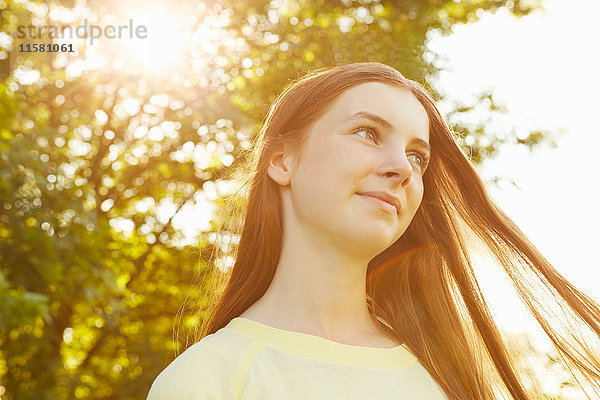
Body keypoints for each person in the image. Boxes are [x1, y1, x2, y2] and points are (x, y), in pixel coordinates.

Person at [146, 62, 600, 399]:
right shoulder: (209, 381)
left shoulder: (449, 371)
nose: (402, 168)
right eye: (367, 132)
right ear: (282, 160)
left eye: (417, 156)